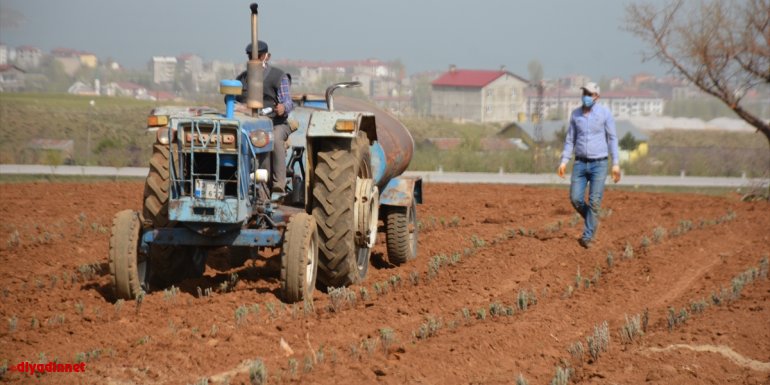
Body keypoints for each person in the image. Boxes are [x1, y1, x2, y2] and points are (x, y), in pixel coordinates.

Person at [557, 82, 621, 249]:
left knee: (594, 201)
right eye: (584, 92)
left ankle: (587, 236)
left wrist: (615, 164)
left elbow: (612, 138)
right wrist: (564, 161)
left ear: (596, 97)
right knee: (575, 198)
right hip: (579, 162)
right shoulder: (575, 115)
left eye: (589, 93)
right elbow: (570, 139)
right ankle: (592, 220)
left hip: (599, 163)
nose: (585, 96)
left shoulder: (605, 114)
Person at [235, 40, 294, 196]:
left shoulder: (278, 76)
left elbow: (288, 102)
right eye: (251, 56)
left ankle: (278, 183)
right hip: (249, 124)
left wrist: (283, 108)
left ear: (266, 57)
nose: (254, 59)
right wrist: (239, 107)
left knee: (273, 138)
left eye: (258, 56)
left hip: (276, 123)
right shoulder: (241, 79)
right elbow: (232, 101)